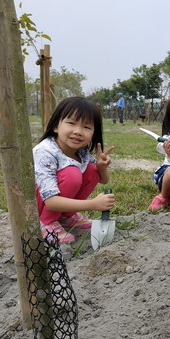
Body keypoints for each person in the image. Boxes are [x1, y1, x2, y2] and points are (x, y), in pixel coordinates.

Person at [33, 96, 115, 244]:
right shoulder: (45, 152)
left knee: (91, 169)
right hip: (38, 202)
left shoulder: (81, 152)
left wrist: (101, 168)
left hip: (54, 201)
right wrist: (93, 204)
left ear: (93, 134)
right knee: (72, 174)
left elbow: (102, 179)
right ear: (56, 126)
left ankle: (66, 216)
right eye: (71, 123)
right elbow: (51, 201)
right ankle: (46, 222)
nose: (78, 131)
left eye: (86, 127)